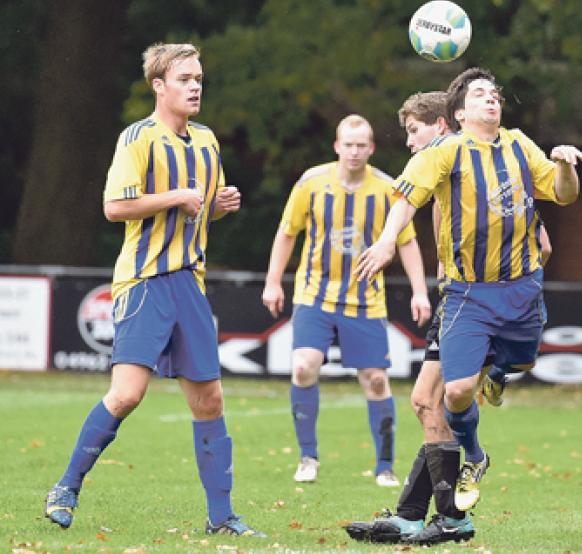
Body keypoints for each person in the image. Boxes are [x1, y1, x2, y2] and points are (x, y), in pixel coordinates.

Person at [44, 43, 263, 537]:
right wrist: (178, 196)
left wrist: (220, 204)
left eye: (199, 78)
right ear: (159, 86)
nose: (195, 86)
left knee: (209, 402)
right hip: (145, 281)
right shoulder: (137, 138)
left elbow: (200, 208)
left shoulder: (207, 141)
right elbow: (113, 207)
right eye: (185, 78)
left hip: (190, 282)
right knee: (126, 396)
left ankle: (222, 517)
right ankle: (65, 486)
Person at [355, 67, 582, 521]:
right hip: (466, 295)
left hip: (520, 289)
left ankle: (429, 512)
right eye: (480, 94)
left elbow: (564, 195)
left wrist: (563, 165)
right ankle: (448, 503)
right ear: (458, 114)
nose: (491, 99)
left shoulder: (519, 145)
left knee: (501, 370)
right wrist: (385, 241)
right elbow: (406, 200)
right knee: (447, 394)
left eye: (495, 93)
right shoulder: (444, 153)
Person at [261, 114, 430, 488]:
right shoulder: (311, 182)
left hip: (365, 301)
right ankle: (308, 458)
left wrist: (420, 291)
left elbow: (407, 242)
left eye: (361, 145)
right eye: (348, 144)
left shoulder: (388, 188)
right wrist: (274, 281)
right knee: (303, 366)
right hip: (314, 294)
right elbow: (287, 232)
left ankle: (385, 465)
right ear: (337, 146)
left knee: (374, 380)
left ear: (371, 148)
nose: (354, 151)